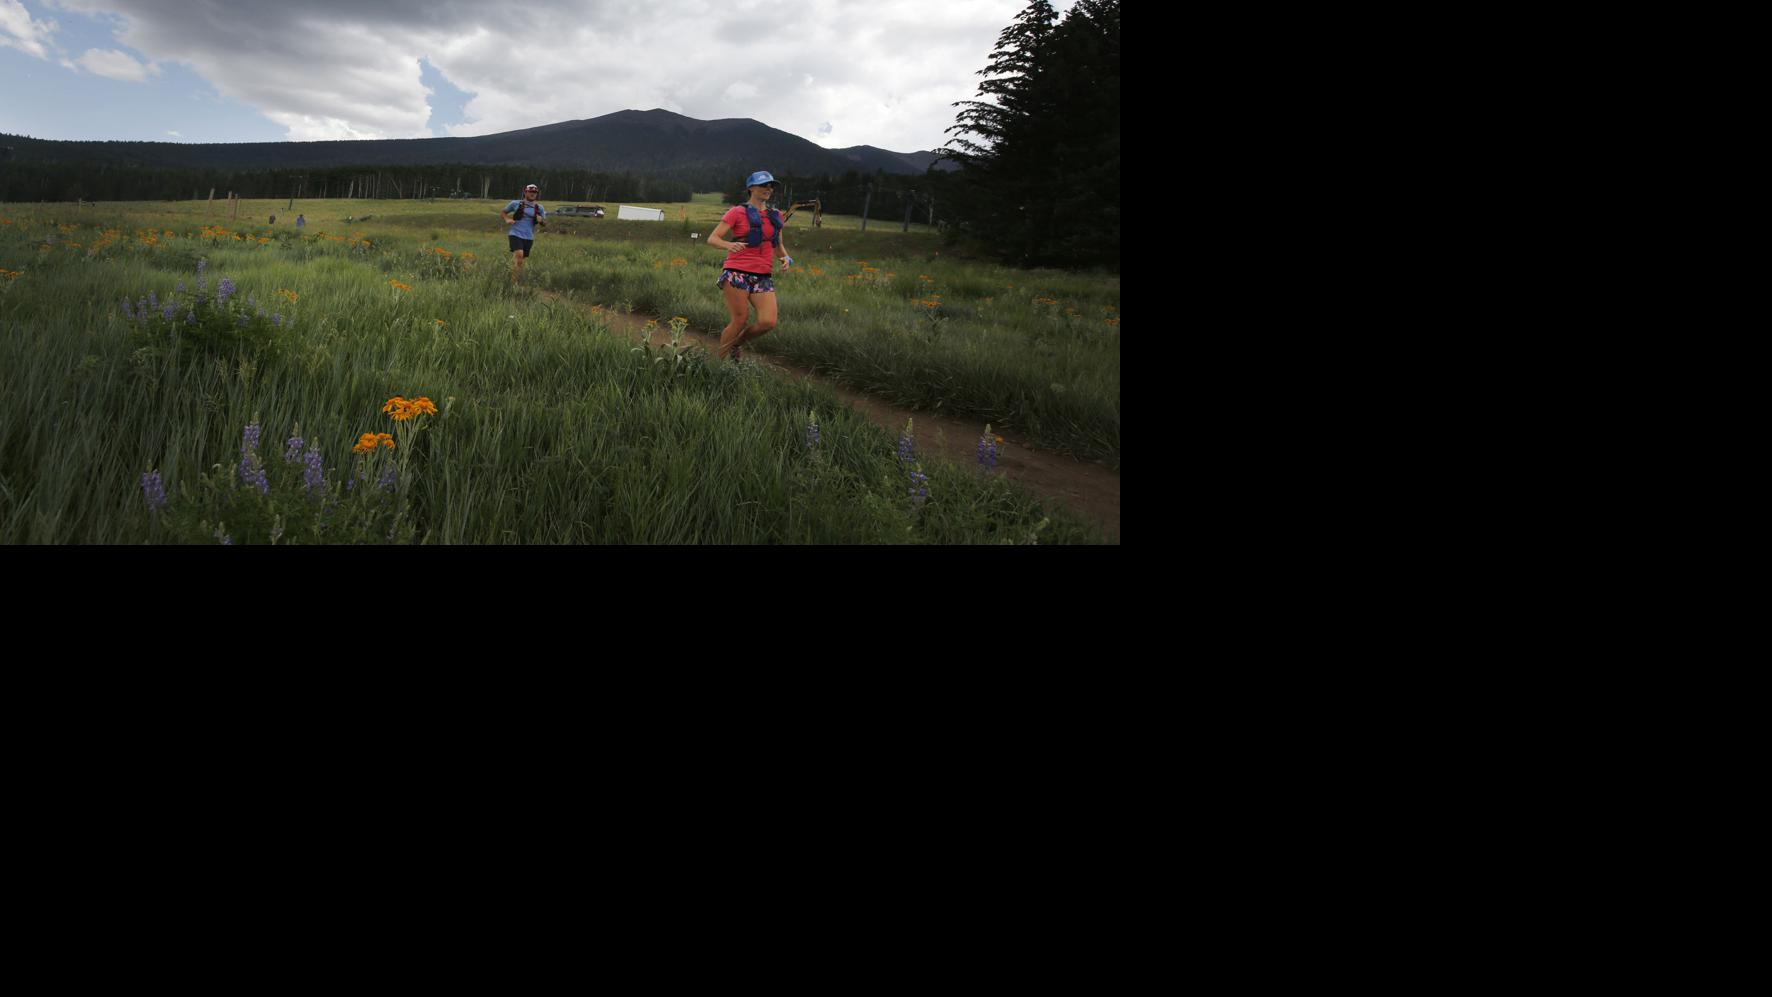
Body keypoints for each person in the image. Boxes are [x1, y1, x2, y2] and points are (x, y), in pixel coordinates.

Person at [707, 170, 793, 361]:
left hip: (762, 275)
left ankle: (737, 343)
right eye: (763, 185)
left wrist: (785, 258)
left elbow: (777, 244)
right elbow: (712, 238)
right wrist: (729, 244)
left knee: (768, 322)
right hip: (737, 273)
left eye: (770, 186)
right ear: (751, 188)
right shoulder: (737, 212)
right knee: (739, 320)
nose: (768, 189)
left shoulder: (775, 215)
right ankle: (718, 364)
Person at [500, 184, 547, 284]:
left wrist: (541, 221)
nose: (532, 194)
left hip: (529, 236)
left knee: (520, 261)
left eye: (535, 193)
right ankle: (514, 284)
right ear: (525, 192)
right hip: (515, 233)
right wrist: (507, 219)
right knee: (519, 256)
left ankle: (514, 278)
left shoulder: (539, 208)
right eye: (530, 192)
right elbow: (503, 213)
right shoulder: (515, 203)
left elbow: (544, 223)